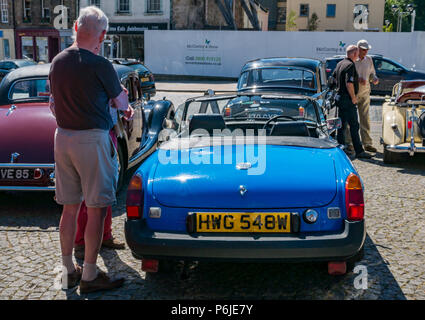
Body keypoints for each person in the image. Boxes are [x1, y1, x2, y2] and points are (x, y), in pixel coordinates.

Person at [49, 6, 134, 293]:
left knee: (69, 209)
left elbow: (52, 104)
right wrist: (119, 104)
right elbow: (122, 104)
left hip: (63, 137)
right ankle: (89, 274)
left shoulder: (57, 62)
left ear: (75, 28)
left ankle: (67, 270)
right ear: (102, 34)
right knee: (96, 209)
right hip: (92, 138)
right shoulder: (100, 65)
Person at [332, 44, 372, 160]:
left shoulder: (340, 64)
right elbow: (349, 83)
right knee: (354, 125)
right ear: (354, 54)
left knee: (341, 125)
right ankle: (359, 151)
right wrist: (353, 97)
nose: (358, 56)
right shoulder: (350, 65)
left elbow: (333, 79)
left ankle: (341, 148)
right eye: (357, 54)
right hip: (347, 100)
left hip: (339, 98)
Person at [345, 39, 379, 153]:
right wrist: (358, 78)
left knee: (365, 118)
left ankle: (367, 143)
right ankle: (349, 143)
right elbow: (348, 76)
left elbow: (372, 73)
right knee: (352, 119)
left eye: (367, 50)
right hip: (353, 92)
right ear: (358, 49)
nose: (366, 52)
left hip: (365, 92)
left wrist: (374, 78)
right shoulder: (353, 60)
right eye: (364, 50)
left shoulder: (369, 60)